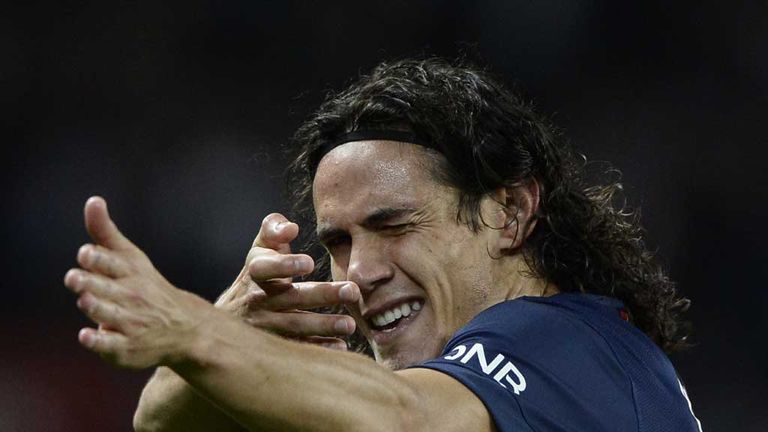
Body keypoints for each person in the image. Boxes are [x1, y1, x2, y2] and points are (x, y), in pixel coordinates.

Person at [64, 58, 702, 431]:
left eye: (395, 226)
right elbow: (157, 422)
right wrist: (226, 326)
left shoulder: (567, 343)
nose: (358, 272)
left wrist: (194, 330)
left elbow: (406, 417)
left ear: (509, 213)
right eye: (339, 241)